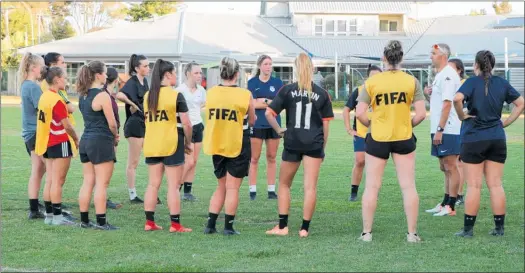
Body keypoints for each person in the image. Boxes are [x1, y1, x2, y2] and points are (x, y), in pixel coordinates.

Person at [355, 40, 426, 243]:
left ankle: (367, 233)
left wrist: (373, 124)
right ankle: (412, 234)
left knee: (372, 187)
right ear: (401, 58)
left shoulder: (372, 82)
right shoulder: (411, 81)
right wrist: (406, 124)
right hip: (403, 138)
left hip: (378, 138)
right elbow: (421, 114)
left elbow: (360, 112)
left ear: (384, 59)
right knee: (408, 186)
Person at [454, 50, 524, 237]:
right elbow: (521, 103)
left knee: (474, 185)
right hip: (497, 138)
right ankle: (499, 229)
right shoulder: (501, 82)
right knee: (495, 184)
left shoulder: (471, 82)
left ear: (476, 65)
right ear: (492, 65)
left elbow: (457, 99)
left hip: (474, 138)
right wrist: (506, 122)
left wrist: (462, 115)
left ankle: (468, 230)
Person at [265, 53, 334, 238]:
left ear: (295, 69)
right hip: (314, 144)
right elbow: (326, 125)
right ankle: (304, 229)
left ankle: (283, 226)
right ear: (312, 69)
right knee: (310, 187)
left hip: (293, 142)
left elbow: (269, 113)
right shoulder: (321, 93)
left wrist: (280, 130)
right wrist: (322, 148)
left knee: (284, 184)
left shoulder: (287, 90)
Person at [203, 57, 256, 235]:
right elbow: (253, 119)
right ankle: (228, 227)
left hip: (217, 143)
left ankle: (210, 225)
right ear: (237, 74)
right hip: (237, 143)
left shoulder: (210, 93)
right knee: (232, 187)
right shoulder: (244, 94)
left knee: (221, 186)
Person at [142, 59, 193, 232]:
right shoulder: (175, 95)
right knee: (173, 186)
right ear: (167, 74)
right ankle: (175, 225)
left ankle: (149, 223)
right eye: (174, 73)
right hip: (171, 143)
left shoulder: (148, 96)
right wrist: (188, 142)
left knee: (153, 184)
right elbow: (186, 123)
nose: (176, 76)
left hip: (152, 143)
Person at [76, 61, 120, 230]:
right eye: (104, 73)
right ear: (97, 75)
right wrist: (115, 136)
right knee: (102, 184)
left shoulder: (83, 96)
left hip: (86, 140)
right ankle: (101, 222)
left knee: (88, 181)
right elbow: (112, 123)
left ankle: (84, 220)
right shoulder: (102, 96)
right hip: (100, 141)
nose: (107, 76)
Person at [35, 66, 79, 226]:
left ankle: (49, 215)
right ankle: (58, 217)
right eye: (65, 78)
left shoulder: (44, 96)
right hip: (60, 142)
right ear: (57, 79)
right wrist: (76, 139)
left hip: (46, 142)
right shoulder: (57, 100)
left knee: (50, 180)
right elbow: (67, 126)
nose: (66, 80)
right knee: (58, 181)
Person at [424, 43, 462, 217]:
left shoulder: (448, 75)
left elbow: (447, 104)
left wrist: (440, 129)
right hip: (439, 128)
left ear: (443, 56)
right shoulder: (440, 75)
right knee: (443, 166)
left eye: (433, 53)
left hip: (448, 129)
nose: (430, 56)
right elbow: (439, 101)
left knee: (451, 165)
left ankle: (451, 205)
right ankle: (445, 201)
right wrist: (428, 93)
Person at [116, 54, 152, 204]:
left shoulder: (145, 82)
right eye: (145, 66)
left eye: (148, 65)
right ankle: (132, 195)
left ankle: (152, 192)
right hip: (134, 125)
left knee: (151, 157)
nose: (148, 68)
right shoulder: (132, 82)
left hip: (144, 124)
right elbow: (119, 94)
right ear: (137, 68)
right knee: (134, 162)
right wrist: (133, 105)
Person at [343, 64, 382, 202]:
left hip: (378, 134)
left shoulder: (383, 92)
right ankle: (354, 192)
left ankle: (373, 191)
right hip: (360, 133)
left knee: (375, 164)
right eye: (372, 77)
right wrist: (349, 129)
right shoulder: (359, 91)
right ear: (367, 78)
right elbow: (346, 110)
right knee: (360, 161)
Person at [247, 55, 284, 200]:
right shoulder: (252, 82)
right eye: (266, 64)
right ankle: (252, 191)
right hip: (257, 124)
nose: (268, 67)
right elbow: (253, 104)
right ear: (260, 66)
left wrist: (264, 101)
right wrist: (269, 101)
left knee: (272, 157)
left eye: (270, 64)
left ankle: (271, 190)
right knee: (254, 158)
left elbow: (280, 104)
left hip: (274, 124)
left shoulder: (278, 82)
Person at [19, 53, 47, 219]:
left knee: (38, 170)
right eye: (42, 66)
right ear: (34, 68)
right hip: (36, 134)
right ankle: (49, 207)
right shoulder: (33, 87)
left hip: (30, 134)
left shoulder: (26, 85)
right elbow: (42, 111)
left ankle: (35, 208)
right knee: (47, 170)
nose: (43, 69)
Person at [178, 62, 206, 201]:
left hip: (198, 126)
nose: (199, 75)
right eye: (196, 73)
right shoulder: (180, 90)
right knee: (187, 162)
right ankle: (176, 188)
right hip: (185, 128)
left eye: (200, 73)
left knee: (194, 161)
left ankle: (187, 192)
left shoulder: (201, 90)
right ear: (188, 73)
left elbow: (201, 105)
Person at [447, 58, 468, 206]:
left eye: (451, 67)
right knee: (450, 164)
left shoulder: (464, 84)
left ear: (459, 70)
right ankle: (452, 194)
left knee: (459, 162)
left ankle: (459, 194)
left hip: (462, 126)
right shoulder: (448, 82)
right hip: (451, 127)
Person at [102, 67, 123, 210]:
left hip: (106, 136)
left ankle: (102, 197)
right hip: (107, 137)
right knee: (105, 172)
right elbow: (111, 121)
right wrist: (115, 135)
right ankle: (102, 198)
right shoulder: (105, 96)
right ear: (115, 80)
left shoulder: (107, 95)